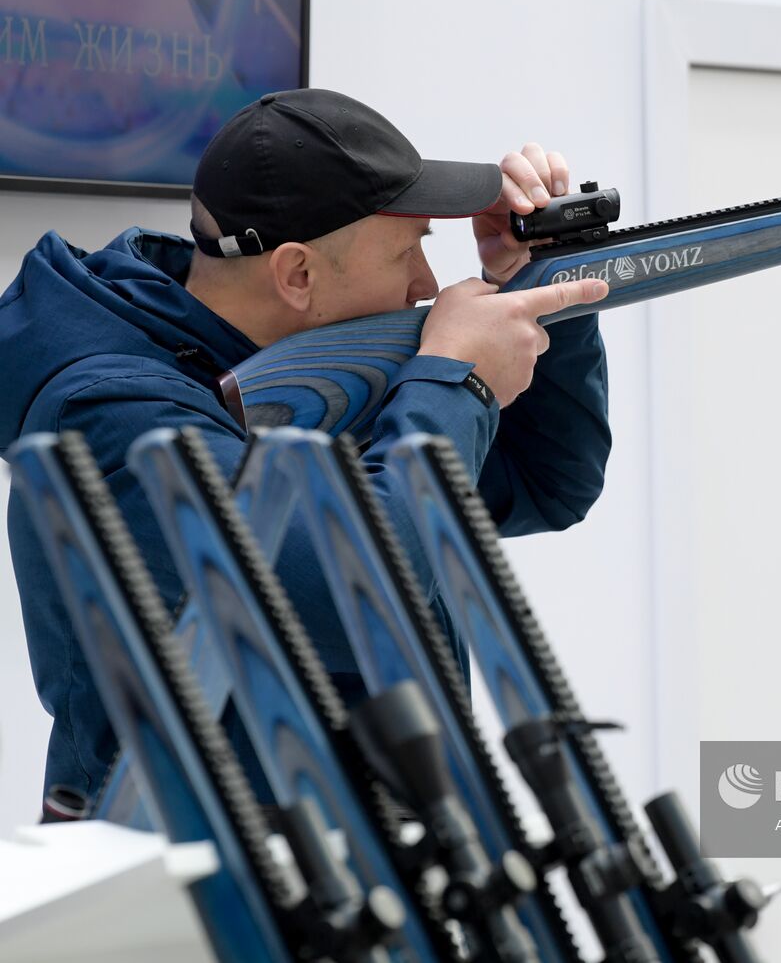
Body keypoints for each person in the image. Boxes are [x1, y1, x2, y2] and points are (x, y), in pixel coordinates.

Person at [0, 88, 612, 811]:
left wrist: (537, 286)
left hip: (373, 867)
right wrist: (457, 385)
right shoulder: (110, 412)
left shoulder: (305, 371)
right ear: (297, 276)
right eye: (407, 250)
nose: (426, 284)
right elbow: (352, 601)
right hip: (201, 889)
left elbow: (548, 482)